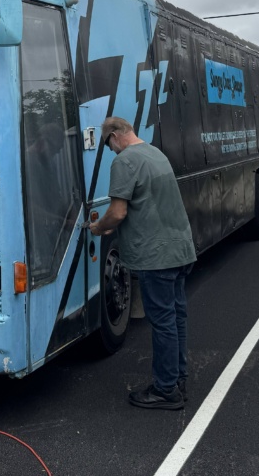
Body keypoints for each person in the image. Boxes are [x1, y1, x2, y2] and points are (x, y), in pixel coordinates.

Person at [89, 116, 197, 411]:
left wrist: (99, 228)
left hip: (156, 255)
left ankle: (165, 390)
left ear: (114, 136)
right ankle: (177, 379)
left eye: (107, 144)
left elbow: (118, 211)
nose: (110, 150)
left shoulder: (125, 161)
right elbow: (145, 203)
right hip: (180, 249)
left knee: (162, 322)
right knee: (176, 318)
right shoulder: (154, 153)